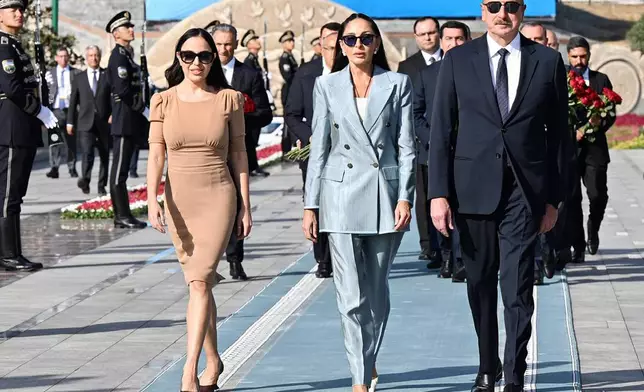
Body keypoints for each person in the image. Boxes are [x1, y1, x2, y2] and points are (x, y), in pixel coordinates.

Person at [429, 1, 569, 391]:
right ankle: (487, 367)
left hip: (525, 194)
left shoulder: (546, 61)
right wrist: (438, 193)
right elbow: (441, 130)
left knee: (518, 286)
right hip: (471, 190)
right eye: (494, 5)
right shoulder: (458, 60)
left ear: (522, 10)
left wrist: (554, 199)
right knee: (480, 283)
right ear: (482, 10)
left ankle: (514, 375)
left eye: (510, 6)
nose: (502, 13)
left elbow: (559, 136)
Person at [302, 13, 415, 392]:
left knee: (377, 290)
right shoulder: (326, 85)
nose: (357, 45)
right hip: (339, 194)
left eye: (365, 38)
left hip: (385, 194)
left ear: (377, 42)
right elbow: (318, 148)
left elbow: (406, 146)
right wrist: (310, 205)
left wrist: (406, 197)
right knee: (350, 294)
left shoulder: (398, 83)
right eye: (349, 40)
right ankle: (359, 378)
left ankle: (368, 356)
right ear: (340, 45)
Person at [146, 28, 251, 392]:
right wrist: (151, 199)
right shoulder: (162, 101)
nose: (197, 62)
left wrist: (245, 207)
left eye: (204, 56)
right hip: (178, 201)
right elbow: (157, 154)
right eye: (188, 56)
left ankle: (188, 371)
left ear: (214, 60)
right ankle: (212, 360)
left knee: (200, 279)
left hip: (218, 197)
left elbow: (239, 153)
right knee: (199, 284)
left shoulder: (229, 99)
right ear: (178, 58)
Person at [0, 0, 58, 271]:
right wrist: (39, 111)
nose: (18, 13)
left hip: (20, 129)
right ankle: (9, 255)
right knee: (8, 197)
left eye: (20, 9)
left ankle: (11, 252)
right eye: (12, 8)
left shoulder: (14, 44)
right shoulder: (3, 45)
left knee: (13, 196)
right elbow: (11, 88)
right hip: (11, 129)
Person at [212, 23, 272, 280]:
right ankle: (210, 262)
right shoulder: (200, 71)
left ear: (236, 44)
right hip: (209, 152)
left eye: (228, 44)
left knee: (236, 204)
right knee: (210, 209)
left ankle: (235, 259)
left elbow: (265, 113)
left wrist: (240, 119)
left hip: (238, 150)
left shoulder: (249, 74)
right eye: (219, 44)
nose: (224, 49)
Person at [412, 20, 470, 282]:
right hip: (435, 153)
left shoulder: (477, 71)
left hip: (469, 154)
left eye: (459, 39)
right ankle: (446, 256)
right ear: (441, 41)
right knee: (439, 205)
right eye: (449, 39)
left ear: (467, 41)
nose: (454, 44)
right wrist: (434, 141)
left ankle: (462, 259)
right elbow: (416, 113)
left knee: (466, 209)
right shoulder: (427, 74)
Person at [285, 21, 341, 279]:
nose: (334, 53)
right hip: (315, 153)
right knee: (316, 205)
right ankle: (323, 258)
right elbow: (293, 113)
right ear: (321, 47)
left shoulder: (357, 72)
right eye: (329, 47)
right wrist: (314, 138)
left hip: (348, 153)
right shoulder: (307, 74)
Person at [397, 16, 442, 267]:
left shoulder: (452, 59)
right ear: (416, 37)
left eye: (432, 32)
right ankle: (428, 245)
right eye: (423, 34)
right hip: (420, 141)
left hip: (449, 141)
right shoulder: (407, 67)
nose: (428, 37)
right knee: (423, 195)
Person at [566, 36, 615, 262]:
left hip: (595, 150)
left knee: (597, 195)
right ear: (568, 56)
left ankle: (593, 227)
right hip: (569, 150)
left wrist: (594, 126)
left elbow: (610, 113)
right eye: (574, 56)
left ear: (589, 55)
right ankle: (578, 245)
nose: (579, 60)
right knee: (572, 199)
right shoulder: (561, 78)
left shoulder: (601, 79)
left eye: (583, 56)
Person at [105, 11, 148, 229]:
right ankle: (121, 215)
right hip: (124, 120)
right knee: (119, 171)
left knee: (121, 171)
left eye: (131, 26)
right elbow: (123, 90)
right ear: (116, 33)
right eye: (126, 27)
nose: (131, 30)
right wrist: (143, 109)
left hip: (130, 120)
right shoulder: (119, 57)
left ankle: (123, 214)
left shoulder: (127, 56)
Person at [66, 45, 111, 196]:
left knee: (104, 155)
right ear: (86, 58)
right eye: (91, 55)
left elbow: (113, 98)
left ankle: (101, 185)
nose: (94, 58)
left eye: (96, 55)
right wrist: (70, 122)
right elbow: (73, 102)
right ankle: (85, 180)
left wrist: (113, 115)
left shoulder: (107, 75)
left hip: (104, 122)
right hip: (85, 123)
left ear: (99, 56)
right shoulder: (79, 78)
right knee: (87, 153)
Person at [45, 47, 80, 179]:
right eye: (60, 56)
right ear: (56, 58)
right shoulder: (50, 73)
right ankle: (54, 167)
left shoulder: (75, 73)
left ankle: (72, 167)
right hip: (55, 110)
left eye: (65, 56)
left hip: (70, 110)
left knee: (71, 141)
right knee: (55, 140)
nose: (63, 59)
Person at [279, 30, 298, 155]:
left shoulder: (291, 57)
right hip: (289, 92)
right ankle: (286, 151)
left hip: (293, 91)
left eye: (292, 40)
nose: (292, 43)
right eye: (289, 41)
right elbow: (289, 76)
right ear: (283, 44)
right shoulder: (285, 58)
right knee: (288, 122)